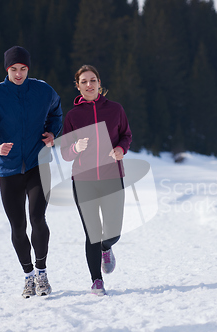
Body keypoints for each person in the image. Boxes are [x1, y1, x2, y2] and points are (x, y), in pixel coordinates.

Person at [0, 46, 63, 298]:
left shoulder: (43, 91)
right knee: (18, 226)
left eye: (23, 69)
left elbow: (57, 111)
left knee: (37, 217)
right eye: (14, 69)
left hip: (37, 164)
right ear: (7, 69)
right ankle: (28, 276)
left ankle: (42, 273)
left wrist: (53, 132)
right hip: (8, 169)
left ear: (28, 69)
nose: (19, 73)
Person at [61, 65, 132, 296]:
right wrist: (75, 146)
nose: (89, 85)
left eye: (93, 80)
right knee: (92, 231)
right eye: (84, 81)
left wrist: (121, 148)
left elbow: (126, 135)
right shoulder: (73, 116)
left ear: (100, 83)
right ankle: (96, 280)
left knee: (113, 232)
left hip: (112, 177)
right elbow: (64, 153)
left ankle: (106, 248)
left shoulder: (115, 110)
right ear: (78, 86)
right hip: (84, 180)